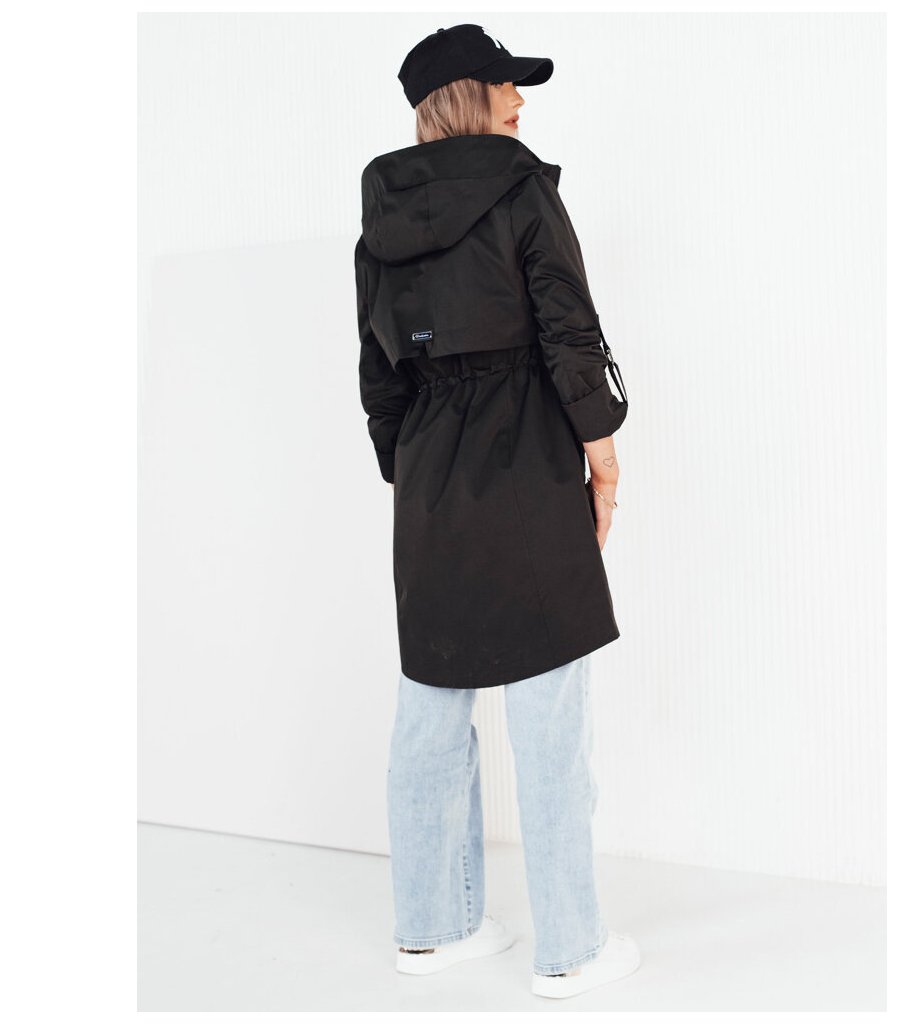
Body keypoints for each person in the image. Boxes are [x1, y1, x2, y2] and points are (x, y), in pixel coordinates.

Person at [355, 24, 640, 999]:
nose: (522, 100)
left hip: (430, 475)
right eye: (508, 84)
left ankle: (432, 930)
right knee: (549, 711)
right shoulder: (520, 188)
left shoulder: (380, 220)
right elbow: (568, 328)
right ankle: (571, 948)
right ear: (470, 96)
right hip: (525, 459)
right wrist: (602, 453)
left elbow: (378, 377)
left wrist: (418, 477)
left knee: (431, 704)